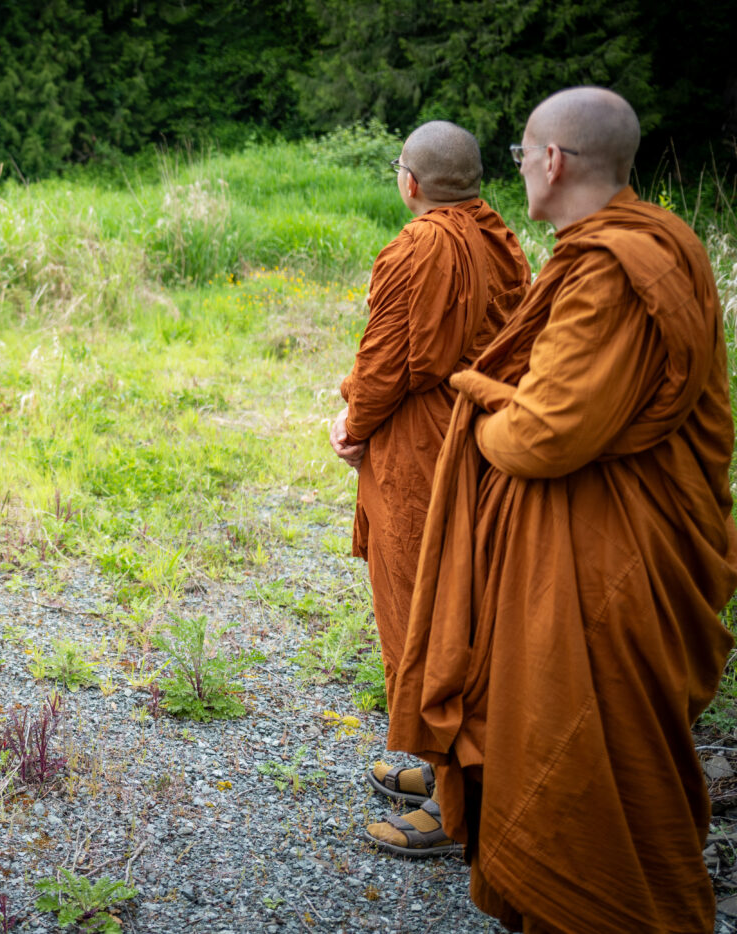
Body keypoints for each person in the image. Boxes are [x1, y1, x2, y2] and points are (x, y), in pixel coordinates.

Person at [390, 86, 737, 932]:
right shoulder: (667, 240)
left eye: (521, 155)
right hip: (630, 530)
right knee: (607, 753)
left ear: (551, 162)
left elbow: (542, 437)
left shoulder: (612, 269)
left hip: (609, 563)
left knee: (583, 753)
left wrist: (478, 398)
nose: (519, 171)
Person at [328, 121, 531, 857]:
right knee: (464, 613)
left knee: (426, 624)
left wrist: (353, 419)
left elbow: (387, 365)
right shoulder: (500, 237)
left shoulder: (418, 244)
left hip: (423, 457)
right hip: (479, 446)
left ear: (408, 181)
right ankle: (456, 772)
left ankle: (459, 809)